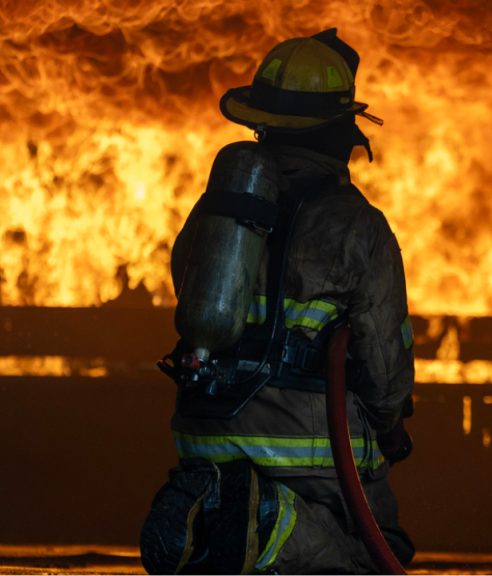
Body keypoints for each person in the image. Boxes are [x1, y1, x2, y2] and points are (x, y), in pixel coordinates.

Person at [140, 28, 415, 574]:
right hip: (297, 452)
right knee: (373, 549)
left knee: (230, 551)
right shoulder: (359, 227)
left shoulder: (217, 211)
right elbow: (385, 372)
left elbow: (184, 283)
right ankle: (266, 516)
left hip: (204, 432)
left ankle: (210, 507)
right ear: (340, 131)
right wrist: (391, 430)